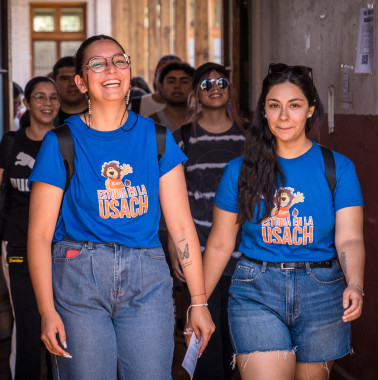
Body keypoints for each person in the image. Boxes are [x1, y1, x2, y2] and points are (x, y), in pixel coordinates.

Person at [27, 34, 214, 380]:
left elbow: (182, 228)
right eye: (97, 63)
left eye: (119, 60)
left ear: (129, 71)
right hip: (79, 276)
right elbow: (39, 235)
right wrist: (46, 310)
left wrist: (198, 302)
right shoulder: (60, 142)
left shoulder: (157, 138)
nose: (111, 69)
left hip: (147, 277)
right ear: (81, 82)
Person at [202, 63, 365, 380]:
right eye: (274, 106)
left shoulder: (338, 168)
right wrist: (199, 303)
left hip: (322, 290)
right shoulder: (240, 170)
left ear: (310, 110)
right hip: (256, 289)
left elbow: (350, 239)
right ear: (263, 111)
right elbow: (221, 244)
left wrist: (355, 283)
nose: (283, 116)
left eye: (294, 106)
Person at [170, 62, 245, 380]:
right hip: (199, 255)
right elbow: (171, 198)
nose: (215, 88)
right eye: (206, 84)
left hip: (247, 256)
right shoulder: (183, 138)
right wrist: (175, 246)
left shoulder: (251, 136)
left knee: (241, 344)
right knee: (204, 343)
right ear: (196, 94)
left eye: (222, 82)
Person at [0, 76, 59, 380]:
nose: (47, 104)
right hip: (19, 246)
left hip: (60, 249)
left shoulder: (66, 143)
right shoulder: (11, 142)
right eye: (40, 97)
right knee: (27, 322)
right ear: (26, 103)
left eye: (53, 98)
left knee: (61, 323)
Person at [149, 61, 194, 133]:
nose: (177, 86)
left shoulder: (204, 121)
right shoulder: (149, 124)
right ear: (161, 87)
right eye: (171, 81)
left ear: (194, 87)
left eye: (184, 82)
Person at [52, 56, 87, 127]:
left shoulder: (103, 115)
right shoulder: (46, 118)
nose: (72, 83)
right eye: (65, 78)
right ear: (55, 83)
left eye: (77, 78)